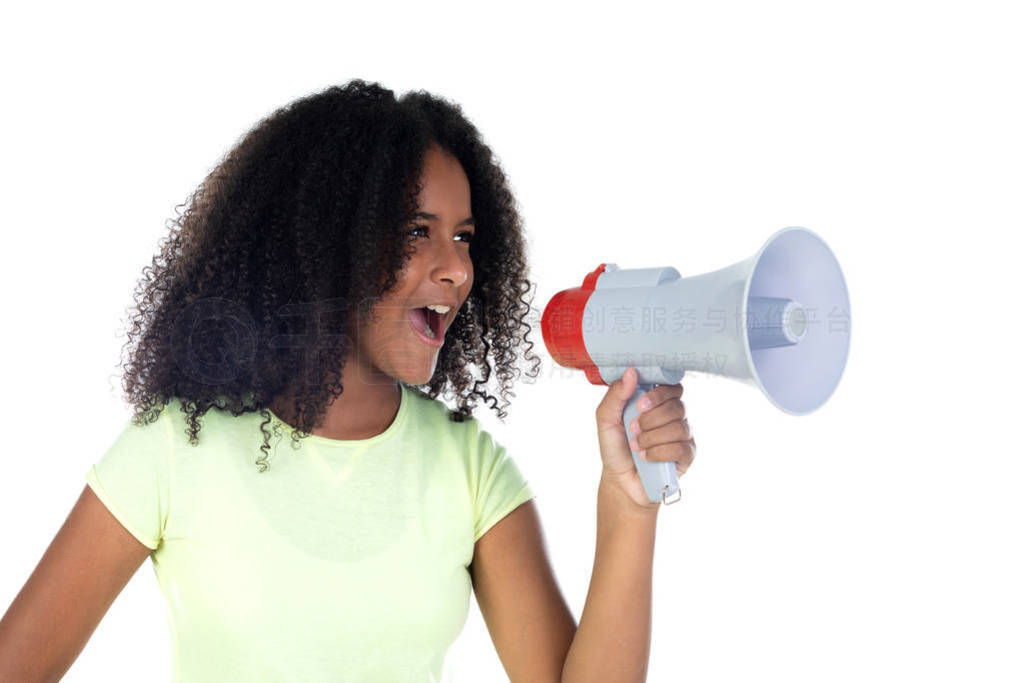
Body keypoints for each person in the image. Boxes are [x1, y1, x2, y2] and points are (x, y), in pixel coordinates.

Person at [0, 79, 695, 682]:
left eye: (463, 236)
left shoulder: (468, 468)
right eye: (417, 231)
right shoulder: (175, 449)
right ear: (332, 241)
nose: (456, 268)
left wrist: (629, 504)